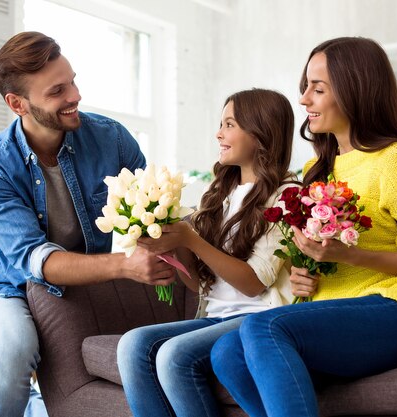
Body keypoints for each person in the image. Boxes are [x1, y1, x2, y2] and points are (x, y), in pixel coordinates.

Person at [210, 37, 397, 417]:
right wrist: (303, 274)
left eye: (317, 88)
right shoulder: (316, 171)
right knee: (226, 352)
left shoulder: (394, 160)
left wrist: (352, 254)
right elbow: (315, 262)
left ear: (355, 89)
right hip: (334, 313)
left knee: (262, 329)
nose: (304, 99)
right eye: (305, 87)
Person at [0, 31, 175, 417]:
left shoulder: (112, 139)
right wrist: (124, 266)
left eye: (73, 80)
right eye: (57, 91)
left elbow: (153, 210)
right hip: (15, 283)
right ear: (18, 104)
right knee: (12, 347)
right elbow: (36, 259)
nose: (75, 95)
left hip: (88, 284)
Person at [116, 88, 296, 417]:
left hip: (256, 321)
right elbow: (200, 287)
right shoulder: (220, 194)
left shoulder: (286, 196)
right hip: (215, 318)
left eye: (229, 124)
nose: (219, 133)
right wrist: (174, 245)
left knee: (173, 357)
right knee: (132, 346)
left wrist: (192, 240)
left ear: (260, 133)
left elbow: (254, 284)